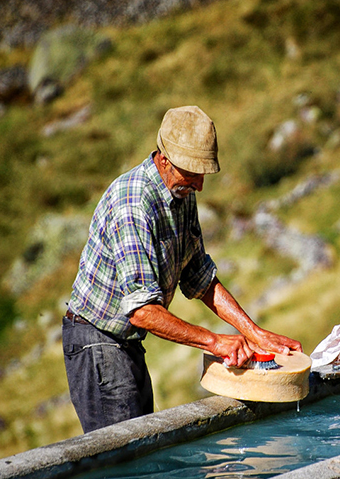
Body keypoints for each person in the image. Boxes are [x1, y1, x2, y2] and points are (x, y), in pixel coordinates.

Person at [63, 105, 302, 433]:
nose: (200, 186)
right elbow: (142, 311)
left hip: (125, 343)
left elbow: (199, 276)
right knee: (125, 460)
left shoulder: (181, 192)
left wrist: (255, 333)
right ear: (163, 159)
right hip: (97, 343)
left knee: (144, 447)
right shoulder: (133, 206)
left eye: (203, 174)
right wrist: (216, 342)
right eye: (192, 173)